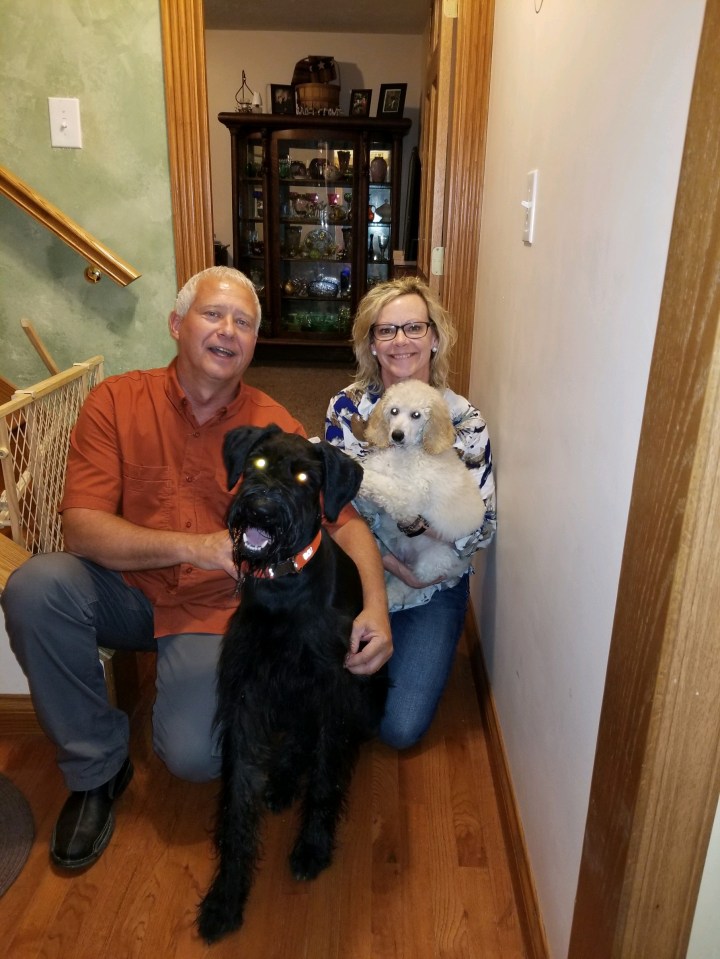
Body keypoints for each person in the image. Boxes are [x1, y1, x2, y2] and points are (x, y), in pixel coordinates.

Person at [1, 266, 391, 871]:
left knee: (194, 759)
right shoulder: (115, 402)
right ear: (176, 324)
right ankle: (96, 769)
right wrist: (195, 547)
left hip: (214, 611)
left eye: (244, 322)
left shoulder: (273, 423)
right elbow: (81, 528)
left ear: (254, 343)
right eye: (213, 314)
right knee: (35, 587)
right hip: (123, 586)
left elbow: (345, 525)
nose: (228, 331)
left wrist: (377, 609)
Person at [325, 277, 496, 750]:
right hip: (360, 566)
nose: (401, 340)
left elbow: (481, 527)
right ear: (371, 344)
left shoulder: (464, 419)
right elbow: (333, 509)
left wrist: (418, 538)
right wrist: (382, 570)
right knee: (329, 691)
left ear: (434, 338)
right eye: (386, 330)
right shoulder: (347, 408)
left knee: (399, 727)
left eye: (414, 327)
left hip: (432, 581)